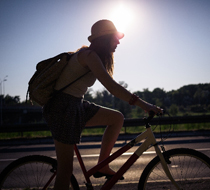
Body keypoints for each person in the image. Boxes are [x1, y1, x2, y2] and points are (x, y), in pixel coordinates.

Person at [43, 19, 163, 190]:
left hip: (76, 104)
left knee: (116, 118)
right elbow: (111, 87)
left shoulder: (92, 56)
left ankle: (103, 165)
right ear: (105, 39)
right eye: (115, 37)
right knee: (65, 170)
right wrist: (145, 105)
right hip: (63, 108)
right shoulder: (88, 56)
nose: (119, 41)